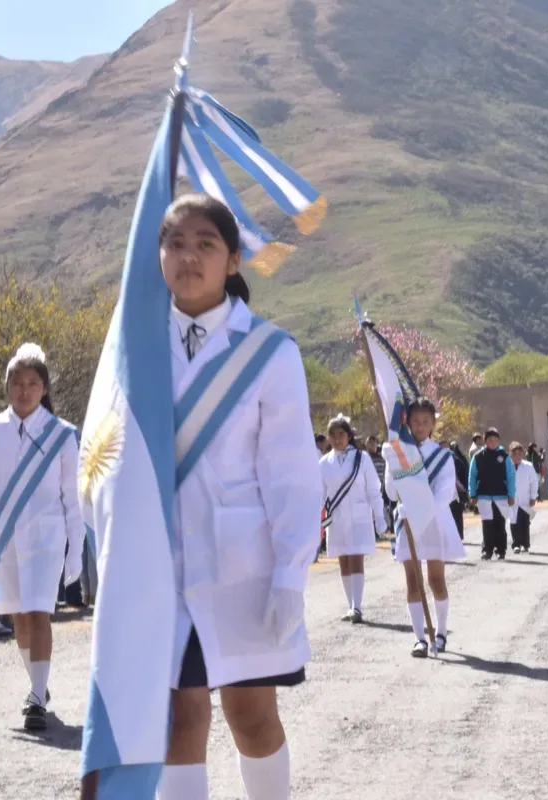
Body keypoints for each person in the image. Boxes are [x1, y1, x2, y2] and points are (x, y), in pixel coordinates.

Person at [94, 193, 320, 800]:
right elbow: (108, 454)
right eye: (174, 243)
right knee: (180, 720)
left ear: (234, 259)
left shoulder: (270, 353)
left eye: (205, 243)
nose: (188, 256)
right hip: (157, 571)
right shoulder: (132, 351)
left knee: (252, 717)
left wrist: (291, 575)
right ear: (157, 256)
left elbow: (292, 472)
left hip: (241, 566)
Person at [0, 340, 83, 730]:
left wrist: (76, 547)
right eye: (17, 382)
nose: (24, 390)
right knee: (19, 615)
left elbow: (73, 496)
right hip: (4, 538)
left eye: (32, 383)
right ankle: (37, 682)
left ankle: (36, 699)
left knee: (38, 610)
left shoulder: (61, 435)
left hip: (46, 536)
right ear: (7, 385)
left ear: (43, 388)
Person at [386, 397, 465, 658]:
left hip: (433, 521)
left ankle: (440, 633)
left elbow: (444, 494)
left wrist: (422, 509)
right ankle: (419, 638)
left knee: (435, 578)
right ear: (407, 422)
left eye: (425, 422)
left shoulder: (443, 456)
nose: (420, 426)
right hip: (407, 521)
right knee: (413, 580)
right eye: (415, 421)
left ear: (433, 424)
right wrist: (393, 465)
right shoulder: (399, 452)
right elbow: (390, 492)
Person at [319, 416, 384, 623]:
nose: (337, 439)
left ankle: (357, 606)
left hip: (359, 516)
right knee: (343, 561)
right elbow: (319, 494)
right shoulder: (323, 463)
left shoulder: (361, 458)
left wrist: (379, 516)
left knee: (356, 558)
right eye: (333, 435)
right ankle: (350, 606)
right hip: (336, 518)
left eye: (341, 434)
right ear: (328, 438)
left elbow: (374, 489)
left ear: (349, 436)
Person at [468, 428, 515, 561]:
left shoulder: (504, 457)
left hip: (501, 495)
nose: (492, 443)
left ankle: (501, 550)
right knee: (487, 524)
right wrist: (473, 494)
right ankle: (487, 550)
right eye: (489, 440)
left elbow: (511, 477)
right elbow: (472, 476)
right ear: (485, 441)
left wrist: (511, 495)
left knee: (500, 523)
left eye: (495, 440)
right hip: (483, 495)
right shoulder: (478, 457)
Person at [510, 442, 539, 554]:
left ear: (522, 454)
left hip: (525, 499)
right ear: (510, 454)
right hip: (512, 499)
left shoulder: (528, 466)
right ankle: (516, 544)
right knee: (514, 522)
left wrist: (533, 497)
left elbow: (534, 482)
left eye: (519, 453)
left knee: (524, 522)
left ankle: (525, 544)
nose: (517, 456)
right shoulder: (507, 466)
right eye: (514, 453)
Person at [448, 441, 470, 540]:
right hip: (458, 489)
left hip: (456, 489)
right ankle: (458, 535)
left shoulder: (453, 458)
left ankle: (456, 535)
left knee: (454, 514)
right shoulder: (460, 459)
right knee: (457, 514)